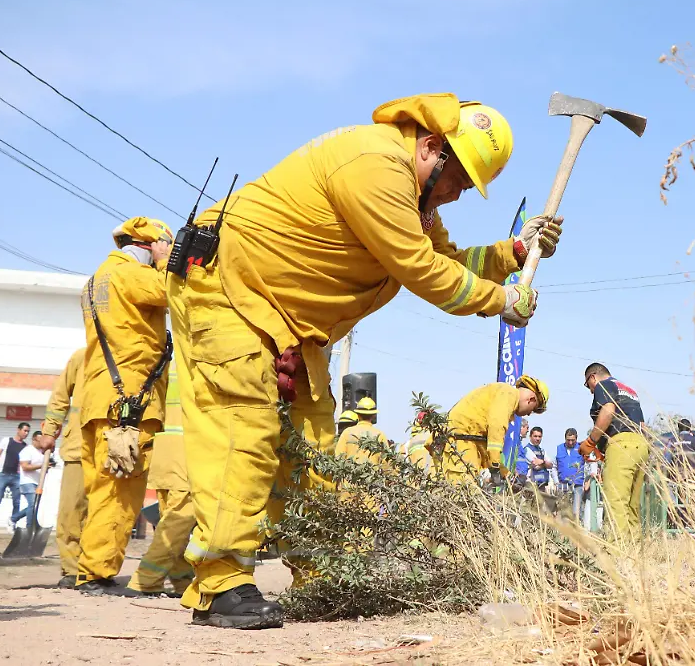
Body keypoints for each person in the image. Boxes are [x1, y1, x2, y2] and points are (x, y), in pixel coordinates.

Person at [166, 94, 562, 630]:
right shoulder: (375, 165)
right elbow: (420, 269)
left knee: (315, 451)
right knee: (244, 430)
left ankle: (321, 573)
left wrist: (511, 255)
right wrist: (501, 300)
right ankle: (218, 581)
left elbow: (447, 259)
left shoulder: (416, 200)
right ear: (432, 147)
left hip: (289, 321)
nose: (459, 195)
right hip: (231, 290)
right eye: (460, 181)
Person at [76, 216, 174, 597]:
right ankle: (97, 574)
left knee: (101, 487)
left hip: (100, 396)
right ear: (150, 246)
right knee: (121, 489)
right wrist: (168, 262)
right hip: (128, 399)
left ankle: (87, 569)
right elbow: (176, 292)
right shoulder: (132, 275)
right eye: (161, 247)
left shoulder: (97, 279)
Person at [127, 361, 195, 598]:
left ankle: (183, 581)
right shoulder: (203, 363)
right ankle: (145, 580)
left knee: (172, 522)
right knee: (179, 520)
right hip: (188, 453)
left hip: (167, 450)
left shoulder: (172, 365)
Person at [580, 363, 648, 538]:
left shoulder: (603, 385)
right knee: (633, 506)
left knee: (616, 503)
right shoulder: (630, 391)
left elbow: (608, 411)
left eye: (588, 385)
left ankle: (618, 555)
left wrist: (591, 441)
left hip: (620, 445)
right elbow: (642, 426)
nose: (590, 390)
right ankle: (635, 551)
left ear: (593, 377)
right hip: (640, 445)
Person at [39, 347, 87, 588]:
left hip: (117, 450)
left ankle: (96, 569)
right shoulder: (82, 357)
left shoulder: (132, 357)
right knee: (72, 512)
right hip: (79, 446)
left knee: (106, 514)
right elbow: (59, 397)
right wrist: (49, 431)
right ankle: (72, 569)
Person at [443, 376, 549, 485]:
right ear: (531, 399)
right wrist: (495, 468)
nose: (528, 414)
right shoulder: (508, 394)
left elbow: (484, 445)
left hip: (459, 442)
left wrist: (505, 474)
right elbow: (496, 430)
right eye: (532, 410)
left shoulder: (501, 396)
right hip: (458, 444)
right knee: (463, 492)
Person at [0, 422, 29, 533]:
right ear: (18, 430)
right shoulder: (6, 441)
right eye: (24, 430)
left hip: (16, 477)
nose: (26, 433)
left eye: (28, 431)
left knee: (16, 502)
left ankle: (12, 524)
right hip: (3, 474)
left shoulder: (25, 446)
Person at [14, 431, 54, 527]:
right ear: (33, 440)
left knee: (34, 506)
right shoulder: (27, 451)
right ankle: (29, 527)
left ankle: (13, 519)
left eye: (42, 441)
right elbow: (25, 467)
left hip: (38, 482)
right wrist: (42, 465)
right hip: (27, 482)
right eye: (39, 441)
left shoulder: (42, 452)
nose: (41, 443)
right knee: (33, 505)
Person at [335, 397, 391, 462]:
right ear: (374, 415)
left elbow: (338, 458)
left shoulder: (347, 433)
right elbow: (386, 463)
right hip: (373, 472)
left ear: (357, 415)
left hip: (350, 472)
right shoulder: (380, 435)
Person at [555, 428, 585, 520]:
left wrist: (589, 478)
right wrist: (556, 481)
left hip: (577, 484)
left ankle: (576, 529)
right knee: (564, 511)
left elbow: (590, 462)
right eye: (568, 440)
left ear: (576, 438)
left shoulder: (582, 447)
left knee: (576, 511)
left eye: (573, 440)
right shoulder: (559, 448)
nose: (571, 442)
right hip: (563, 484)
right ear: (565, 439)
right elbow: (554, 466)